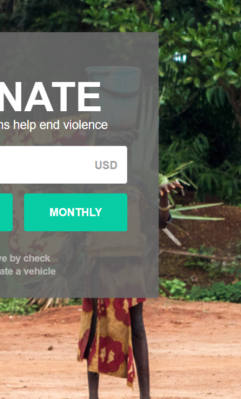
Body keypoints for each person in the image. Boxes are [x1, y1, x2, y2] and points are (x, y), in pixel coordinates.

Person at [73, 131, 181, 399]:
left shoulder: (136, 186)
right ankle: (93, 395)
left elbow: (159, 221)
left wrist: (164, 200)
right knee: (96, 327)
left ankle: (145, 395)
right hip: (99, 266)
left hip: (131, 267)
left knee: (138, 328)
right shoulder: (90, 187)